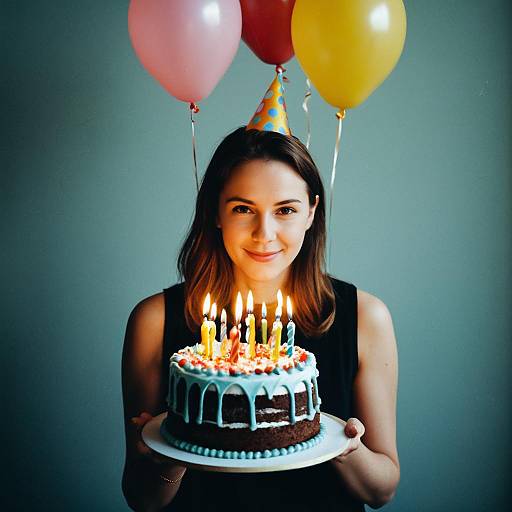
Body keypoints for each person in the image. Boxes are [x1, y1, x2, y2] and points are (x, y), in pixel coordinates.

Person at [122, 126, 399, 511]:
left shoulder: (365, 318)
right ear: (216, 212)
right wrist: (169, 462)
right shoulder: (154, 320)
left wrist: (347, 449)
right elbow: (141, 498)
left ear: (311, 212)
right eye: (242, 208)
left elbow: (381, 491)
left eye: (285, 209)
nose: (264, 233)